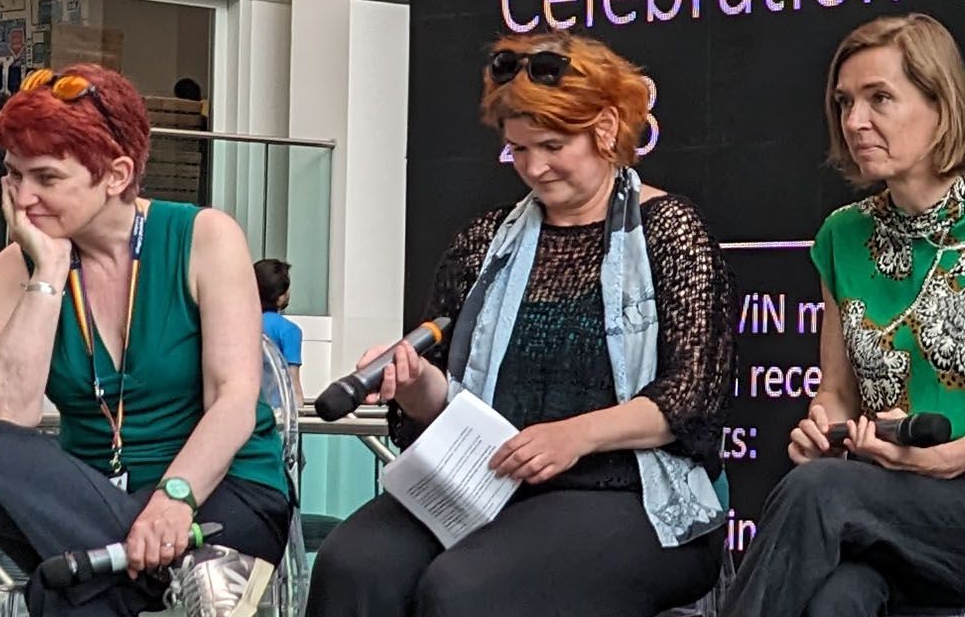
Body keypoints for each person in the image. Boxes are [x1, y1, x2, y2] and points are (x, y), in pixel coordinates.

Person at [306, 34, 733, 617]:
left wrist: (573, 435)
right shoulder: (484, 243)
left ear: (606, 128)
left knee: (464, 591)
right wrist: (413, 386)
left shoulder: (671, 230)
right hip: (489, 484)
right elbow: (450, 401)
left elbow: (692, 398)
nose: (534, 167)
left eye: (553, 145)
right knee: (352, 565)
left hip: (625, 493)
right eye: (518, 149)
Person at [718, 13, 965, 617]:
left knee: (820, 493)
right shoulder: (842, 236)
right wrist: (823, 431)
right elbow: (835, 392)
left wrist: (955, 456)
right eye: (845, 102)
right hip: (888, 503)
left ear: (941, 105)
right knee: (838, 599)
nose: (855, 122)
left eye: (880, 98)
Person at [0, 65, 291, 617]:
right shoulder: (14, 267)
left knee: (65, 587)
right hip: (91, 502)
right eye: (13, 176)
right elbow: (4, 418)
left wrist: (173, 499)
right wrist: (47, 272)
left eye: (46, 179)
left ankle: (109, 567)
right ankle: (157, 573)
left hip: (219, 493)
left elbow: (236, 398)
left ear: (116, 174)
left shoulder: (205, 238)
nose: (23, 199)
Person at [256, 259, 303, 395]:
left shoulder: (239, 325)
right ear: (280, 296)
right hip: (276, 411)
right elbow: (293, 383)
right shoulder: (289, 330)